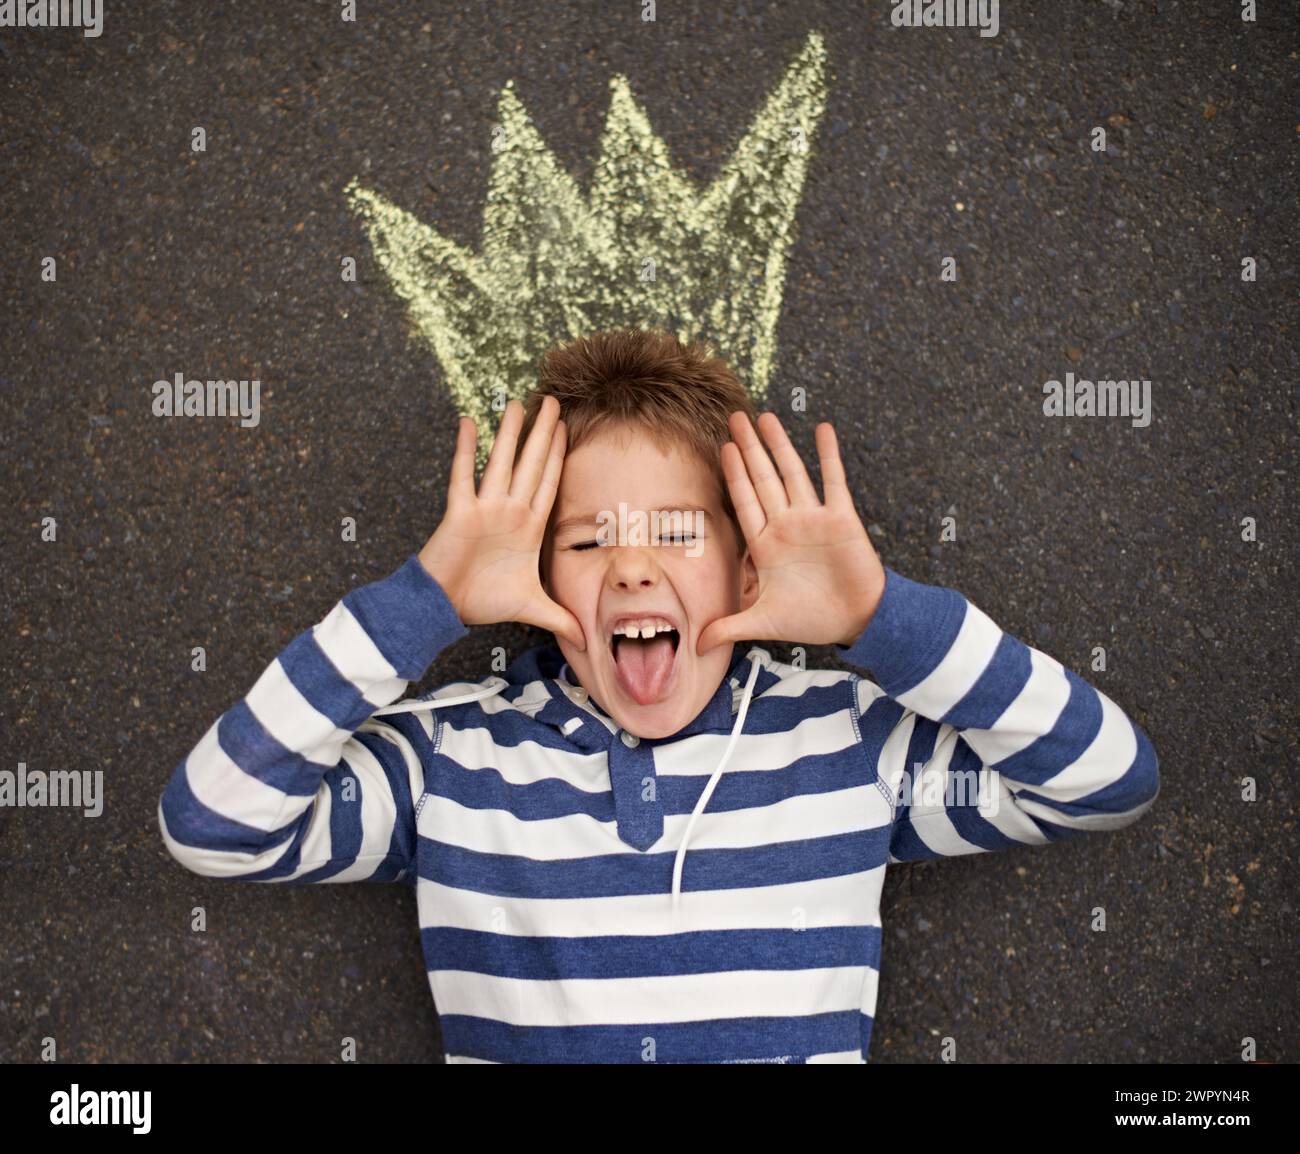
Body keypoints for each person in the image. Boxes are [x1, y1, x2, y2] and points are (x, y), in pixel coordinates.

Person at [158, 327, 1160, 1063]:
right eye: (588, 539)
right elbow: (214, 822)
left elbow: (1105, 779)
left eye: (678, 533)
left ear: (747, 565)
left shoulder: (848, 741)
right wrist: (422, 604)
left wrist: (878, 615)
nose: (632, 569)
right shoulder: (448, 762)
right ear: (536, 579)